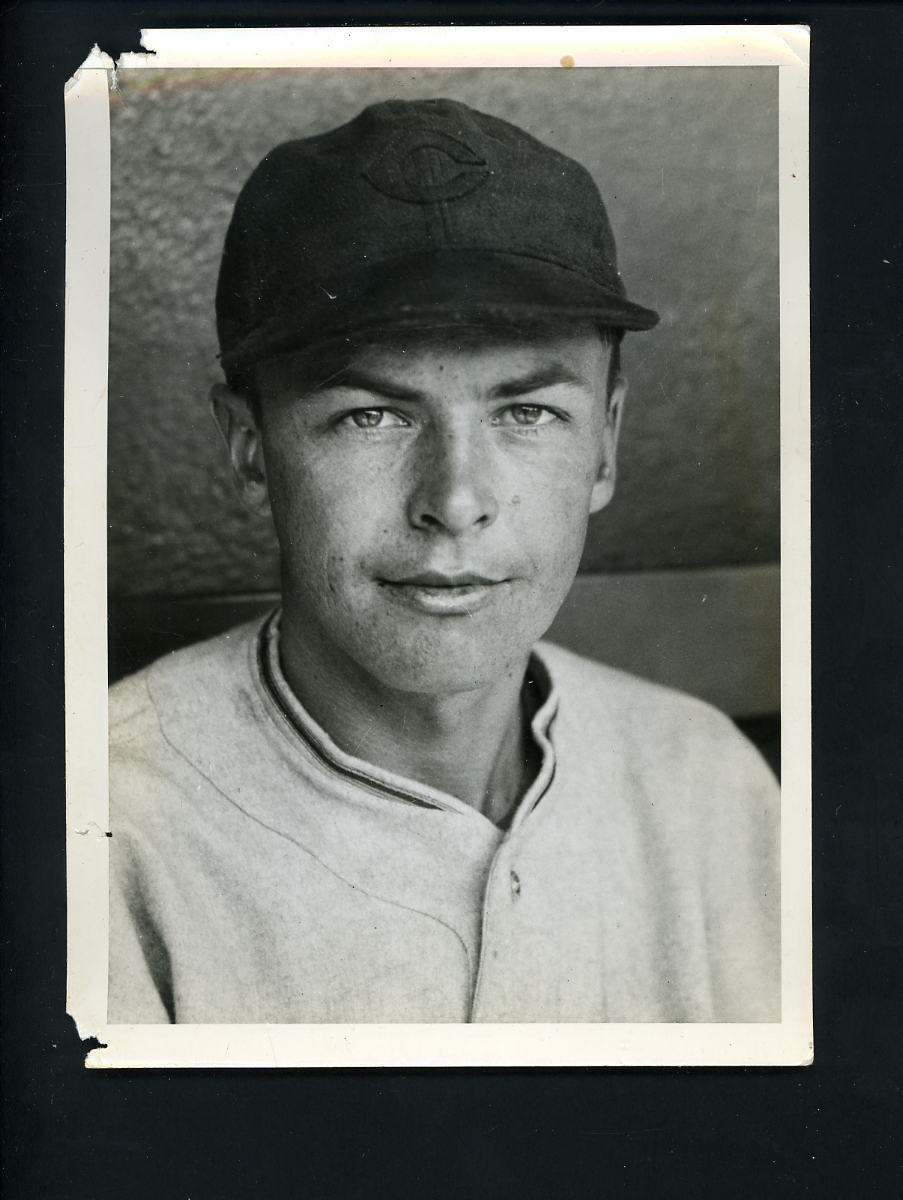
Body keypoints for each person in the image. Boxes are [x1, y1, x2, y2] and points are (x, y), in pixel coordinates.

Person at [108, 98, 780, 1025]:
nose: (455, 499)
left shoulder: (706, 778)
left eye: (527, 412)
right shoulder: (100, 826)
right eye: (369, 415)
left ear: (605, 446)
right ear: (250, 448)